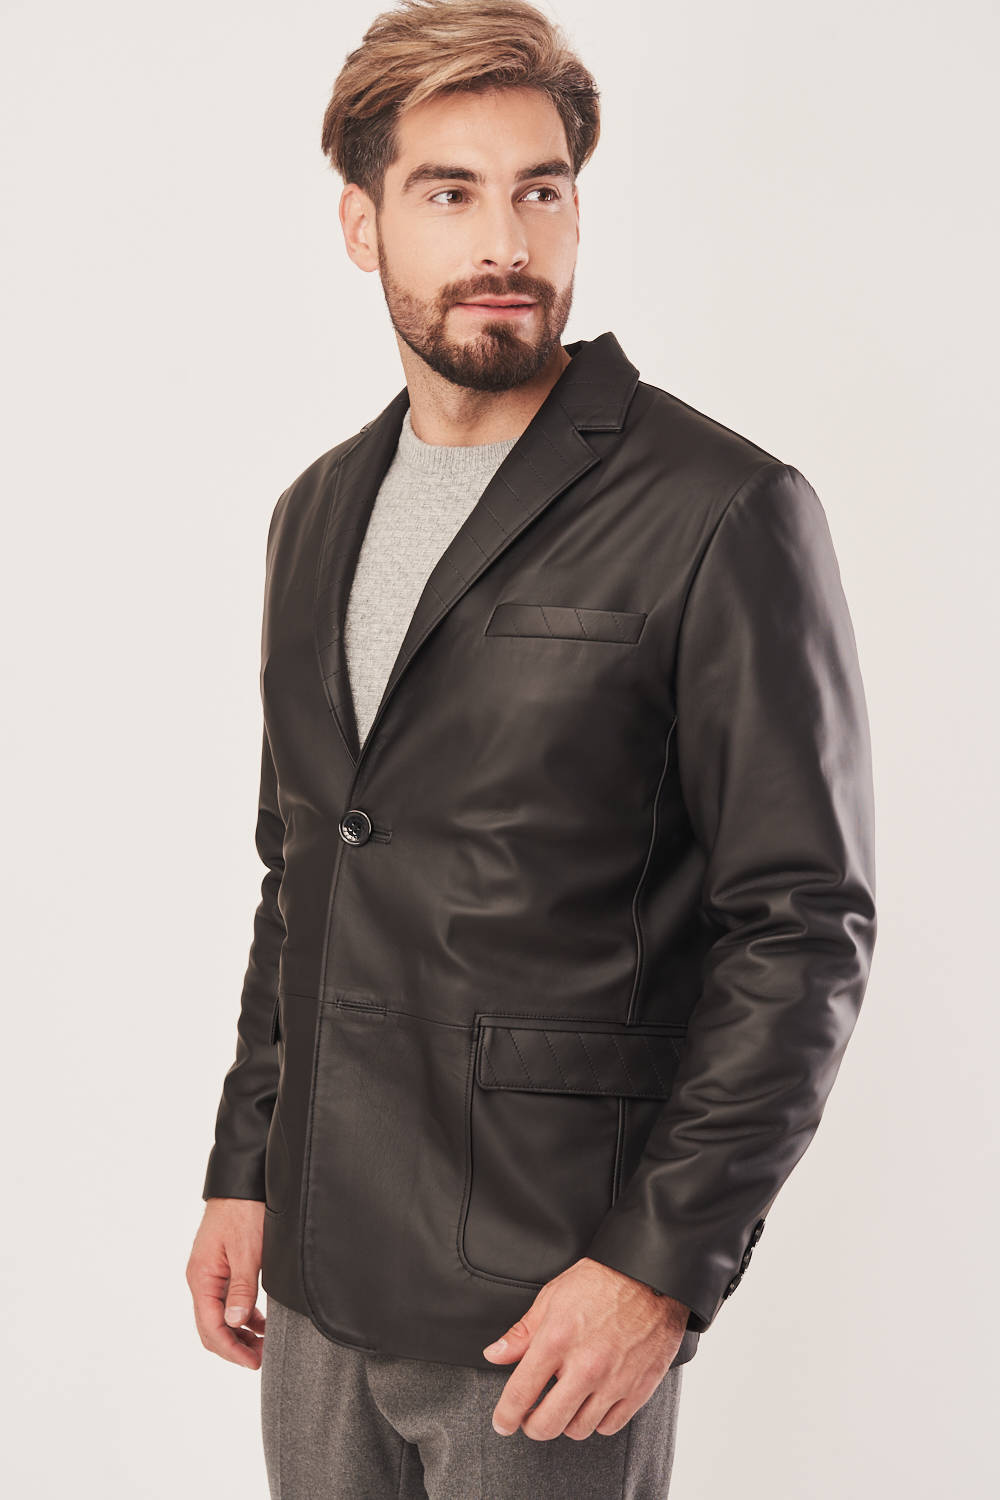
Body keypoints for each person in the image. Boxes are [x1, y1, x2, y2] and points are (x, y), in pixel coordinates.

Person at [185, 2, 878, 1495]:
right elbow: (300, 868)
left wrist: (659, 1267)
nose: (507, 241)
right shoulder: (314, 512)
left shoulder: (719, 507)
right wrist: (247, 1166)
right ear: (362, 224)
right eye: (450, 192)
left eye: (540, 191)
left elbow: (802, 926)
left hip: (552, 1300)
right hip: (316, 1269)